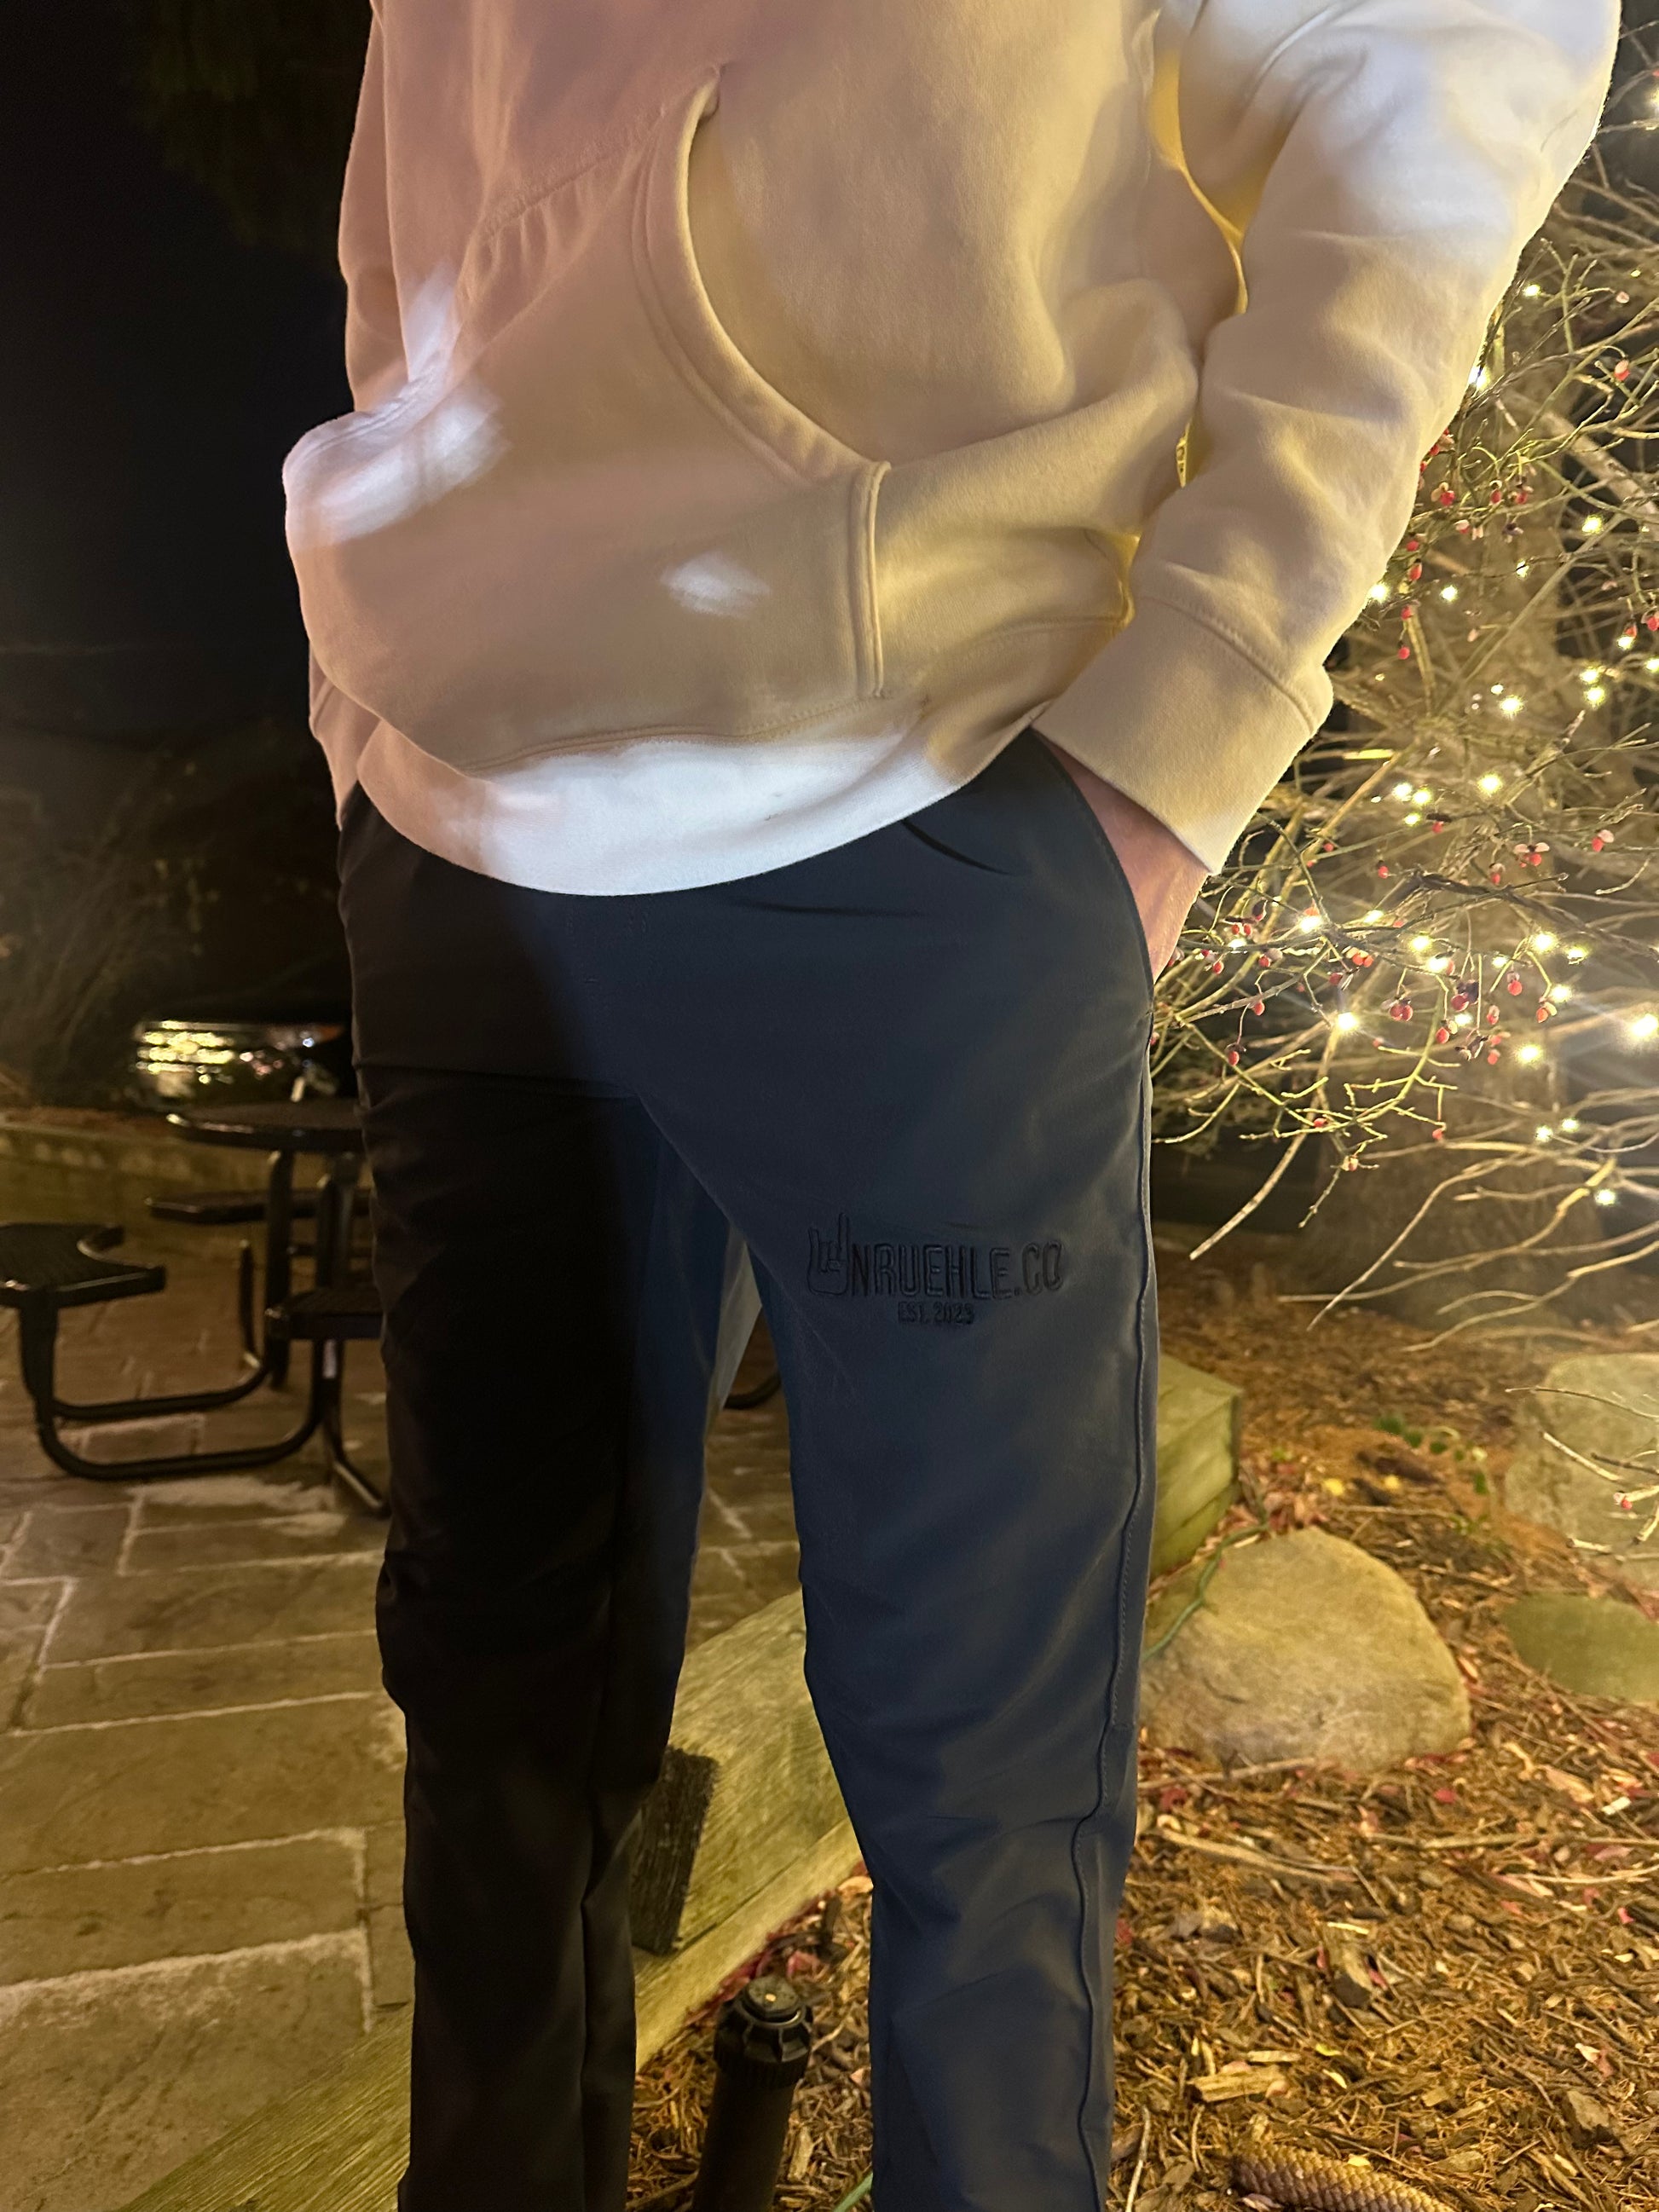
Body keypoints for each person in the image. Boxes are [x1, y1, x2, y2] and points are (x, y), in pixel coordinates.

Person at [286, 3, 1617, 2204]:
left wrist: (1176, 729)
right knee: (491, 1693)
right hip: (453, 818)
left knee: (980, 1777)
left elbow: (1425, 63)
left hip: (920, 795)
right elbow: (410, 205)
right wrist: (367, 688)